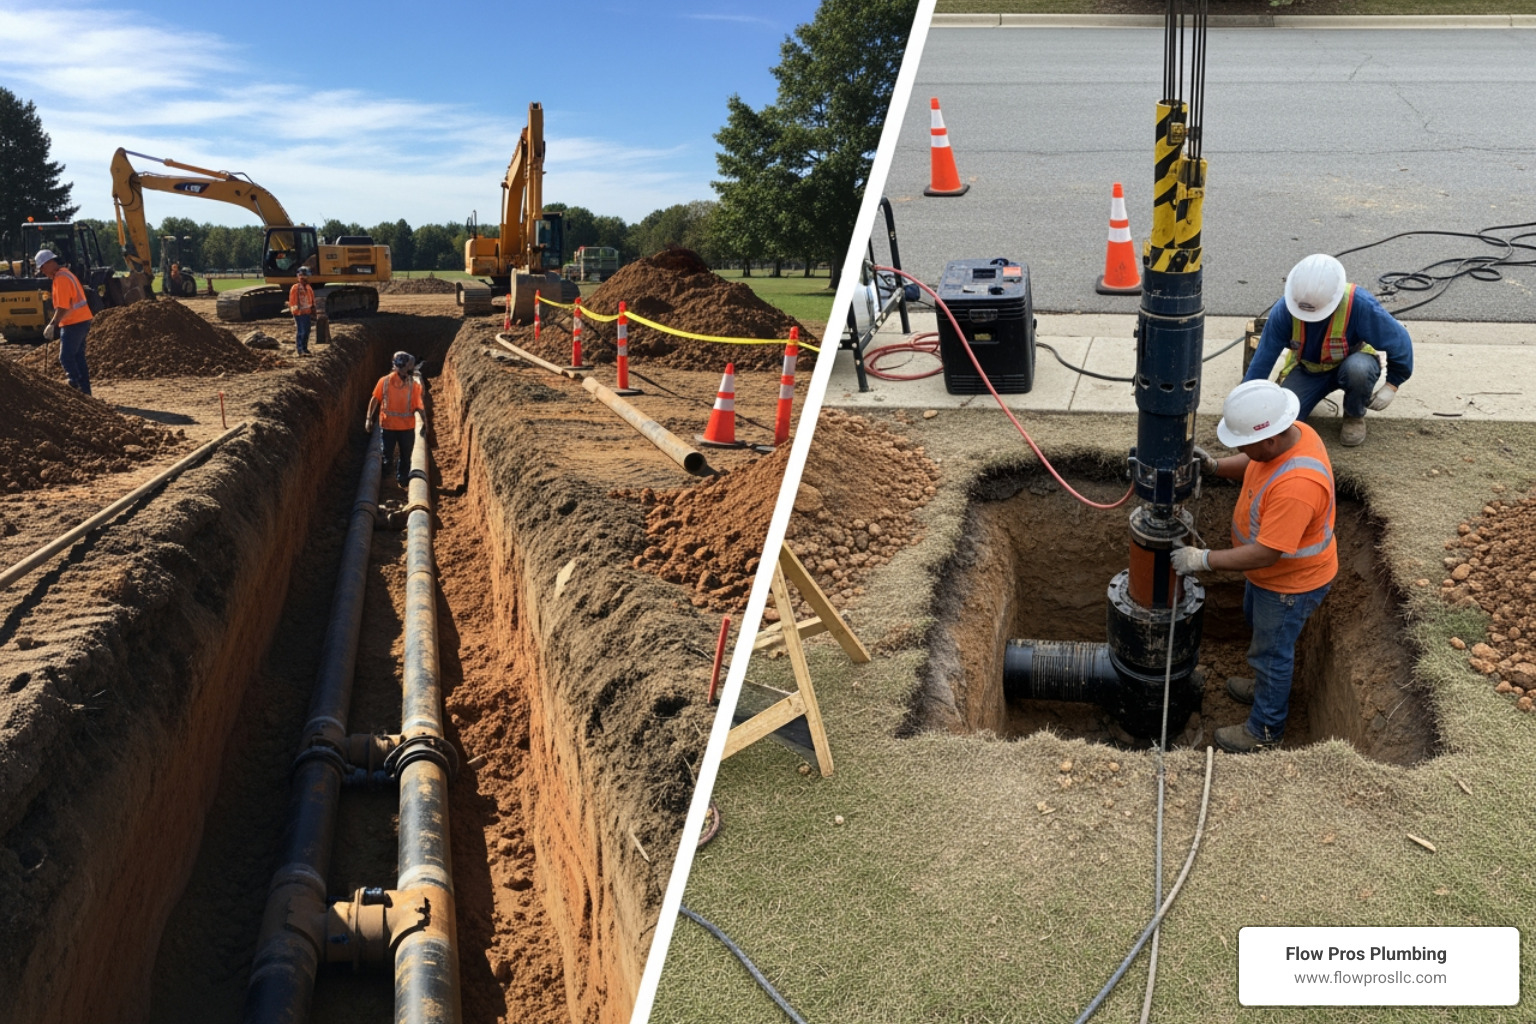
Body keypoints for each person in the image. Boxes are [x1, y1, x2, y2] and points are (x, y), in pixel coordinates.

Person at [1172, 379, 1338, 753]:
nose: (1240, 449)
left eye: (1243, 442)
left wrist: (1203, 560)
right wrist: (1214, 467)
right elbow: (1254, 461)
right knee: (1260, 635)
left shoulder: (1298, 485)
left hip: (1289, 586)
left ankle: (1265, 730)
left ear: (1271, 440)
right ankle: (1265, 685)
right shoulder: (1293, 434)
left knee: (1272, 653)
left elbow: (1266, 553)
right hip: (1267, 579)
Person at [1244, 253, 1413, 447]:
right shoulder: (1285, 310)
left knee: (1358, 370)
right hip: (1309, 370)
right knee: (1285, 422)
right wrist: (1245, 404)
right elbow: (1263, 359)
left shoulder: (1358, 304)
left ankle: (1353, 415)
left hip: (1353, 362)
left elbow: (1399, 341)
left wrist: (1393, 384)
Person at [36, 249, 95, 395]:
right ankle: (85, 392)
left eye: (42, 268)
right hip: (81, 320)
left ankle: (75, 387)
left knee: (66, 357)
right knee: (78, 356)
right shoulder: (65, 274)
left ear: (50, 263)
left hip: (74, 322)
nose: (43, 272)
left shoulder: (61, 278)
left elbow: (63, 307)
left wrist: (52, 324)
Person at [365, 352, 425, 488]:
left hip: (402, 427)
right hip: (391, 427)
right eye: (409, 367)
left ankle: (401, 480)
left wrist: (424, 422)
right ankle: (389, 479)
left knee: (404, 456)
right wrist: (369, 418)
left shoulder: (412, 384)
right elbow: (375, 399)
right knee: (388, 456)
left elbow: (419, 405)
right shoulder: (385, 381)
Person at [289, 266, 316, 356]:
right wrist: (296, 310)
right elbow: (293, 301)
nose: (306, 279)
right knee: (301, 331)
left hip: (307, 312)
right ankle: (300, 349)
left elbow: (311, 299)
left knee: (307, 331)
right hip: (299, 313)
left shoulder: (308, 287)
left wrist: (313, 309)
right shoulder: (295, 288)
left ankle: (305, 348)